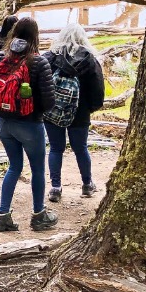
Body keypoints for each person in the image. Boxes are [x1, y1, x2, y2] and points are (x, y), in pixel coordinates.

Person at [0, 17, 58, 232]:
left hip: (3, 122)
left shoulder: (1, 56)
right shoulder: (39, 61)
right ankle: (39, 215)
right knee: (37, 170)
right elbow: (48, 102)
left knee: (14, 167)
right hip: (29, 124)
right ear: (35, 36)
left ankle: (3, 215)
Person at [43, 23, 105, 202]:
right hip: (80, 111)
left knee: (55, 148)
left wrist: (44, 106)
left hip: (53, 111)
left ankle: (55, 187)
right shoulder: (90, 60)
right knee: (81, 148)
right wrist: (91, 108)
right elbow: (98, 89)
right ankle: (87, 184)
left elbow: (41, 84)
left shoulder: (50, 58)